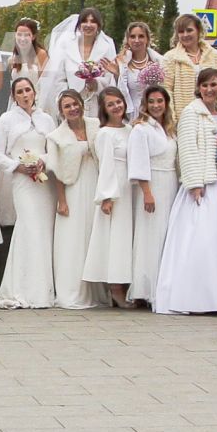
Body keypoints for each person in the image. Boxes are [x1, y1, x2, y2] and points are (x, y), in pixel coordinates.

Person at [153, 68, 217, 315]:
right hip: (203, 183)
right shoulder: (192, 112)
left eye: (213, 85)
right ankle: (196, 297)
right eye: (205, 85)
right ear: (198, 88)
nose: (210, 89)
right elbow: (188, 149)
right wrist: (194, 183)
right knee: (202, 239)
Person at [0, 75, 56, 309]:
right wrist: (17, 166)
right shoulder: (6, 120)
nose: (25, 95)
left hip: (44, 182)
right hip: (21, 179)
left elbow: (55, 148)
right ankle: (22, 287)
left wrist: (42, 161)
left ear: (34, 92)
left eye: (28, 90)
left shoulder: (47, 119)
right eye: (20, 91)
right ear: (13, 96)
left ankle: (43, 287)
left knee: (44, 230)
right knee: (29, 227)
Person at [47, 89, 105, 309]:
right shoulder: (55, 137)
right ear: (61, 111)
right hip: (73, 188)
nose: (72, 109)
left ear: (82, 103)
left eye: (75, 104)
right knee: (73, 239)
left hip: (95, 185)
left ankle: (97, 289)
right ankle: (72, 291)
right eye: (67, 106)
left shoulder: (96, 126)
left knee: (92, 234)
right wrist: (62, 200)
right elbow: (56, 170)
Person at [83, 86, 136, 308]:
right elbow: (105, 166)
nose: (116, 107)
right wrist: (107, 196)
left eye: (119, 102)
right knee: (116, 239)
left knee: (128, 238)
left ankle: (129, 284)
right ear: (104, 109)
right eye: (111, 104)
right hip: (116, 189)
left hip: (131, 188)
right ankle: (115, 288)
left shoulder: (130, 129)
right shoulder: (104, 134)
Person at [125, 84, 177, 307]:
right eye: (152, 102)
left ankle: (164, 284)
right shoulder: (141, 129)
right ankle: (146, 289)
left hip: (170, 182)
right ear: (145, 105)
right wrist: (147, 192)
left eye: (160, 101)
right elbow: (138, 161)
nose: (156, 106)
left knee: (166, 233)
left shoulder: (168, 129)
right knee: (150, 235)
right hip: (152, 184)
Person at [44, 8, 116, 116]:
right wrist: (67, 99)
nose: (88, 25)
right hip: (72, 105)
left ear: (98, 26)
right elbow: (59, 78)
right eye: (85, 21)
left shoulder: (106, 47)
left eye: (93, 21)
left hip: (97, 104)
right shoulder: (66, 46)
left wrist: (96, 83)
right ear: (79, 25)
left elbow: (110, 78)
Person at [160, 13, 217, 114]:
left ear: (199, 31)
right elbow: (166, 91)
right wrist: (171, 120)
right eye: (181, 32)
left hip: (213, 115)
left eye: (189, 30)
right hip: (184, 117)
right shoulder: (169, 58)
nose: (185, 35)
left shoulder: (216, 56)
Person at [115, 21, 163, 119]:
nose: (136, 40)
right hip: (131, 113)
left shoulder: (158, 62)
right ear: (127, 39)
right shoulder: (120, 62)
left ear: (147, 39)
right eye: (132, 37)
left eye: (141, 36)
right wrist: (117, 74)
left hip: (155, 112)